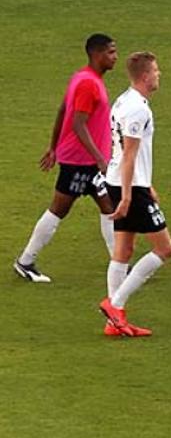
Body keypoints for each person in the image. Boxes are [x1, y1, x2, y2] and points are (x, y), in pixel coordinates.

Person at [14, 34, 118, 283]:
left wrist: (53, 147)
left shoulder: (82, 77)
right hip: (81, 162)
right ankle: (25, 261)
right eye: (111, 52)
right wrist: (100, 159)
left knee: (109, 208)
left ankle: (120, 263)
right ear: (97, 54)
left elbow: (63, 109)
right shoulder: (88, 84)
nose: (115, 57)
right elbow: (78, 123)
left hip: (83, 160)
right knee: (59, 210)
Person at [97, 52, 171, 338]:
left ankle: (114, 322)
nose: (159, 74)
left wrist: (143, 183)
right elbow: (129, 154)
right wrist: (130, 195)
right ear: (144, 76)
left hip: (120, 182)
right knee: (165, 249)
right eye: (155, 70)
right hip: (128, 187)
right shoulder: (139, 110)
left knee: (123, 251)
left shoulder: (123, 100)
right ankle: (115, 306)